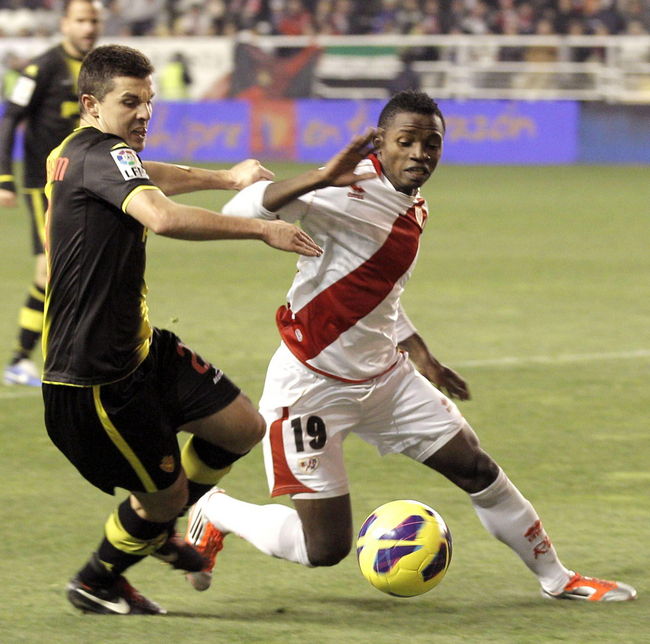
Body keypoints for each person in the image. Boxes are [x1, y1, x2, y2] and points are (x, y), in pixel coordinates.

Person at [185, 90, 637, 603]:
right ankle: (216, 511)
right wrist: (319, 177)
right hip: (310, 389)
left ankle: (558, 578)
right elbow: (238, 208)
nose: (420, 153)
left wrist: (421, 354)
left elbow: (380, 292)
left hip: (386, 379)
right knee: (324, 547)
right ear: (381, 142)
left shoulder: (413, 206)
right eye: (407, 141)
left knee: (477, 469)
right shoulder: (342, 188)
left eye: (431, 143)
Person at [42, 44, 324, 616]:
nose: (144, 113)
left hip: (140, 350)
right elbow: (163, 217)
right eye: (130, 102)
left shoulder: (82, 151)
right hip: (93, 378)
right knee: (163, 499)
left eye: (148, 101)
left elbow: (147, 175)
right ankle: (98, 579)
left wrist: (225, 177)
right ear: (91, 105)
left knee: (242, 427)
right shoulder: (101, 153)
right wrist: (260, 230)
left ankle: (160, 523)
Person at [1, 0, 103, 388]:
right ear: (64, 24)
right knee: (49, 270)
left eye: (93, 20)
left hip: (83, 182)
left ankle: (66, 354)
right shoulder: (42, 67)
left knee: (79, 268)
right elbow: (10, 118)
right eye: (81, 20)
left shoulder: (97, 69)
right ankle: (20, 359)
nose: (88, 27)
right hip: (44, 184)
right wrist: (4, 177)